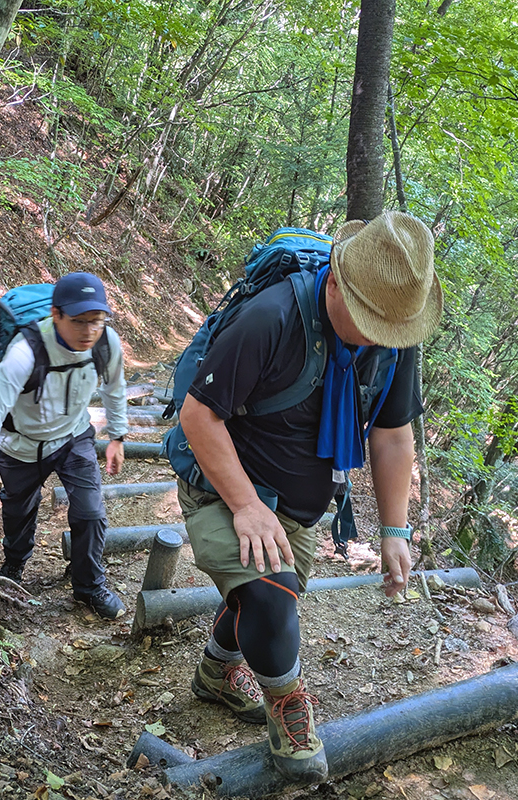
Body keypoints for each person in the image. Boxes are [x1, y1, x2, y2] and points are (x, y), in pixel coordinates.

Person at [177, 211, 443, 782]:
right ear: (336, 282)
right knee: (271, 599)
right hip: (224, 481)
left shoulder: (395, 337)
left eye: (388, 327)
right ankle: (286, 703)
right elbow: (198, 415)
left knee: (267, 592)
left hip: (298, 503)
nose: (378, 336)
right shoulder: (272, 317)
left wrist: (395, 530)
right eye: (369, 321)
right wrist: (247, 506)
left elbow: (393, 435)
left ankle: (215, 674)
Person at [0, 272, 130, 619]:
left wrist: (117, 436)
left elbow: (115, 387)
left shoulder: (106, 342)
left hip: (73, 437)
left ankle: (88, 586)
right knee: (19, 512)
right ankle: (14, 564)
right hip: (20, 446)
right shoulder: (25, 354)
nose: (89, 331)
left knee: (91, 513)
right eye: (79, 321)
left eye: (97, 321)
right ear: (56, 315)